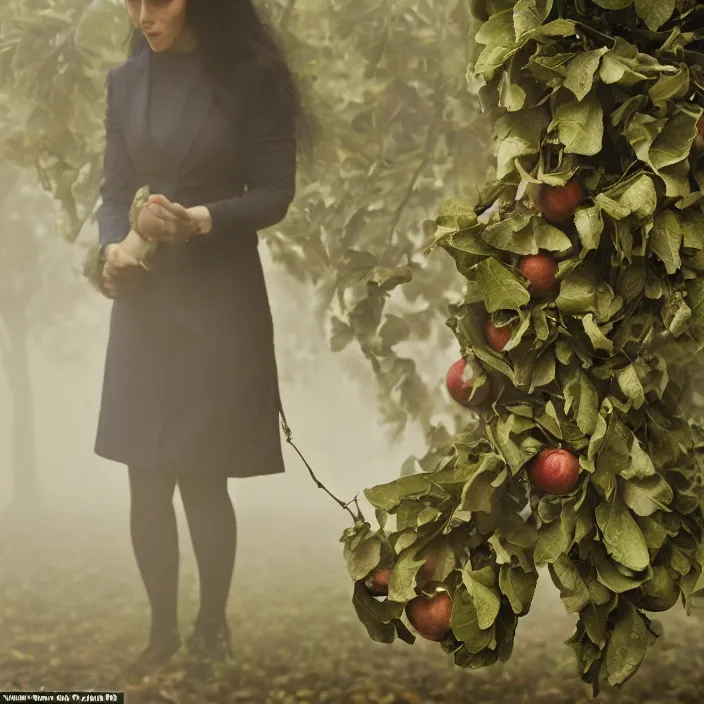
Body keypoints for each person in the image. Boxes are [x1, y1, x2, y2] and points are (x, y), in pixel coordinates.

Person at [94, 0, 310, 680]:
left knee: (201, 475)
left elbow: (275, 192)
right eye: (131, 1)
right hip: (146, 301)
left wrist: (205, 218)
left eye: (158, 2)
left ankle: (210, 626)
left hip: (220, 298)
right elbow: (112, 192)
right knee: (145, 475)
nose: (142, 15)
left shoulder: (254, 78)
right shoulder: (125, 83)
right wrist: (112, 250)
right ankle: (161, 632)